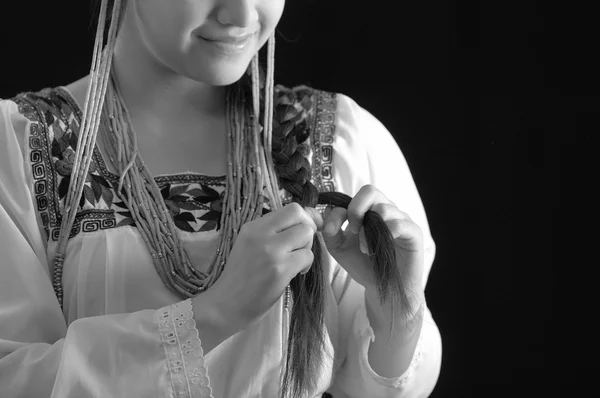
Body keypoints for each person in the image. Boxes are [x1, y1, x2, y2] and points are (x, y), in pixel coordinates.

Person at [0, 0, 442, 397]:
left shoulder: (341, 139)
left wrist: (396, 315)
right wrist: (214, 314)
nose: (242, 16)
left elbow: (380, 387)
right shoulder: (17, 147)